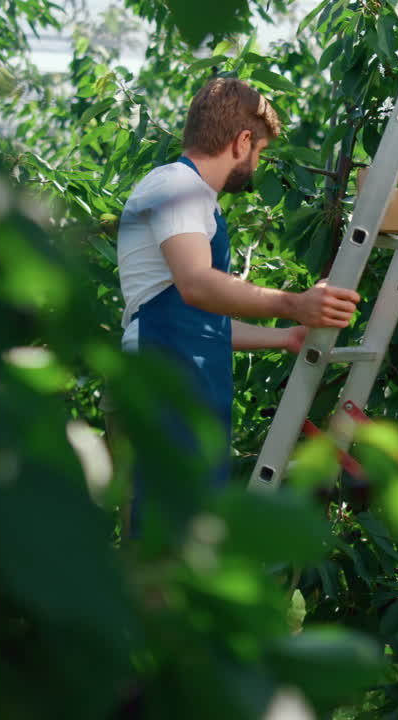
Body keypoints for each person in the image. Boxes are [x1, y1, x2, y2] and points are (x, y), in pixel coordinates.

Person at [117, 77, 359, 531]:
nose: (257, 163)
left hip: (186, 370)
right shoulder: (176, 186)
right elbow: (197, 286)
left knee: (191, 527)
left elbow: (200, 321)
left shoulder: (197, 202)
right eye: (261, 151)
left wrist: (285, 337)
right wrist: (294, 304)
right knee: (168, 529)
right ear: (242, 140)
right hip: (167, 375)